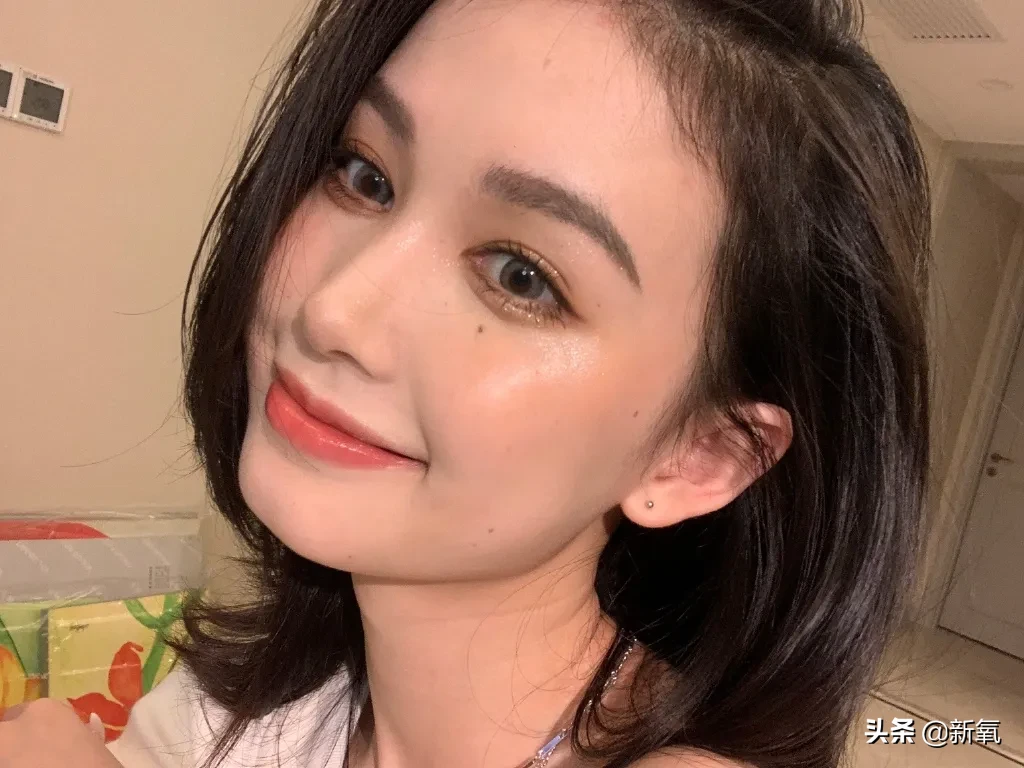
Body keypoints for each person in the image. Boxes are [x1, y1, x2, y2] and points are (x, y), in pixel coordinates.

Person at [0, 0, 932, 766]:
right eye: (364, 175)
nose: (333, 311)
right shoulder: (243, 707)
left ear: (699, 456)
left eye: (522, 277)